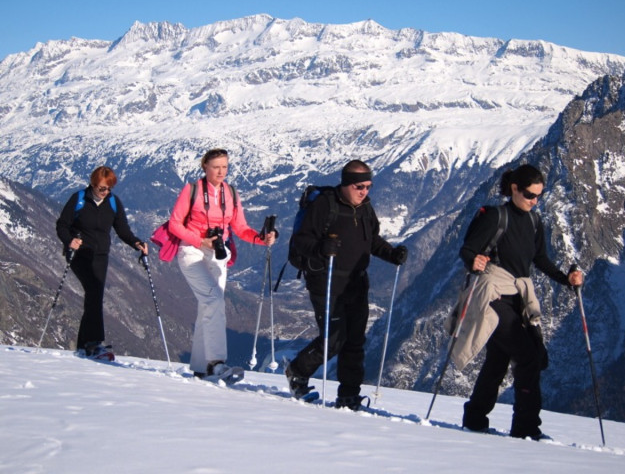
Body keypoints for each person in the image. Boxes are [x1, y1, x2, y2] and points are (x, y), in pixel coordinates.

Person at [457, 164, 583, 440]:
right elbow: (467, 249)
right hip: (493, 297)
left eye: (538, 195)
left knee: (498, 360)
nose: (534, 200)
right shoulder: (494, 217)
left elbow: (540, 260)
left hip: (517, 298)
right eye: (529, 194)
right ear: (514, 189)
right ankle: (526, 428)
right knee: (529, 356)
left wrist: (566, 279)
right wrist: (473, 260)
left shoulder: (535, 222)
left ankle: (475, 419)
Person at [285, 160, 408, 410]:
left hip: (356, 281)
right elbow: (300, 241)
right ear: (346, 183)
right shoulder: (324, 205)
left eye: (368, 186)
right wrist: (321, 248)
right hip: (326, 279)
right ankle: (297, 371)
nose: (364, 192)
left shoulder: (365, 208)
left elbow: (371, 240)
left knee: (354, 341)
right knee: (334, 339)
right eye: (359, 186)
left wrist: (391, 254)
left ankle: (349, 395)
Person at [168, 148, 276, 380]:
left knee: (209, 306)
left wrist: (260, 238)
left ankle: (200, 367)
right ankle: (216, 363)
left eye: (225, 166)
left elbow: (240, 228)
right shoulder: (192, 190)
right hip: (192, 251)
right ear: (204, 167)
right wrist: (200, 241)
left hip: (217, 253)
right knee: (214, 300)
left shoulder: (232, 193)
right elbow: (175, 224)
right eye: (216, 166)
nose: (221, 171)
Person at [56, 166, 148, 360]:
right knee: (94, 293)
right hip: (79, 255)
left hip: (100, 256)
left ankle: (84, 345)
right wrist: (69, 240)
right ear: (93, 184)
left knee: (93, 296)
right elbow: (62, 225)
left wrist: (136, 243)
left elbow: (122, 230)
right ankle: (94, 343)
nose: (105, 192)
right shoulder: (79, 198)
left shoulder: (113, 202)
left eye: (108, 188)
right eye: (101, 188)